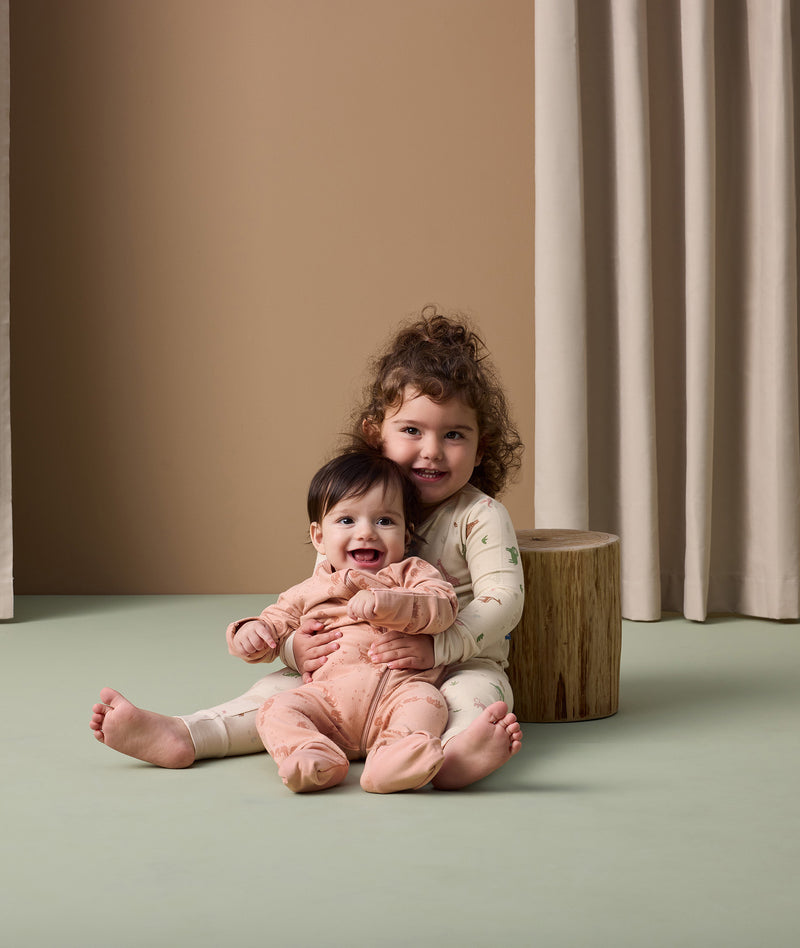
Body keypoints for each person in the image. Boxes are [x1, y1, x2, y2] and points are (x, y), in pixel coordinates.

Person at [91, 308, 524, 789]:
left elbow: (501, 600)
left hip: (449, 663)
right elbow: (316, 596)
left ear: (481, 448)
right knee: (274, 693)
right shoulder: (352, 511)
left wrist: (438, 645)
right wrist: (297, 647)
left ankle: (449, 756)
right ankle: (187, 735)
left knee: (476, 693)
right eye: (411, 430)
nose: (432, 450)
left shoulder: (479, 516)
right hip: (344, 669)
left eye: (454, 435)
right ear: (375, 433)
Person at [240, 448, 458, 793]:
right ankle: (313, 753)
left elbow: (443, 606)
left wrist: (389, 603)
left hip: (399, 693)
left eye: (385, 521)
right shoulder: (311, 589)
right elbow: (275, 622)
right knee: (275, 708)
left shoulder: (412, 574)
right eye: (346, 520)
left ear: (407, 534)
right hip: (327, 700)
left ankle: (390, 760)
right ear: (319, 537)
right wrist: (251, 632)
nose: (367, 533)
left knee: (428, 704)